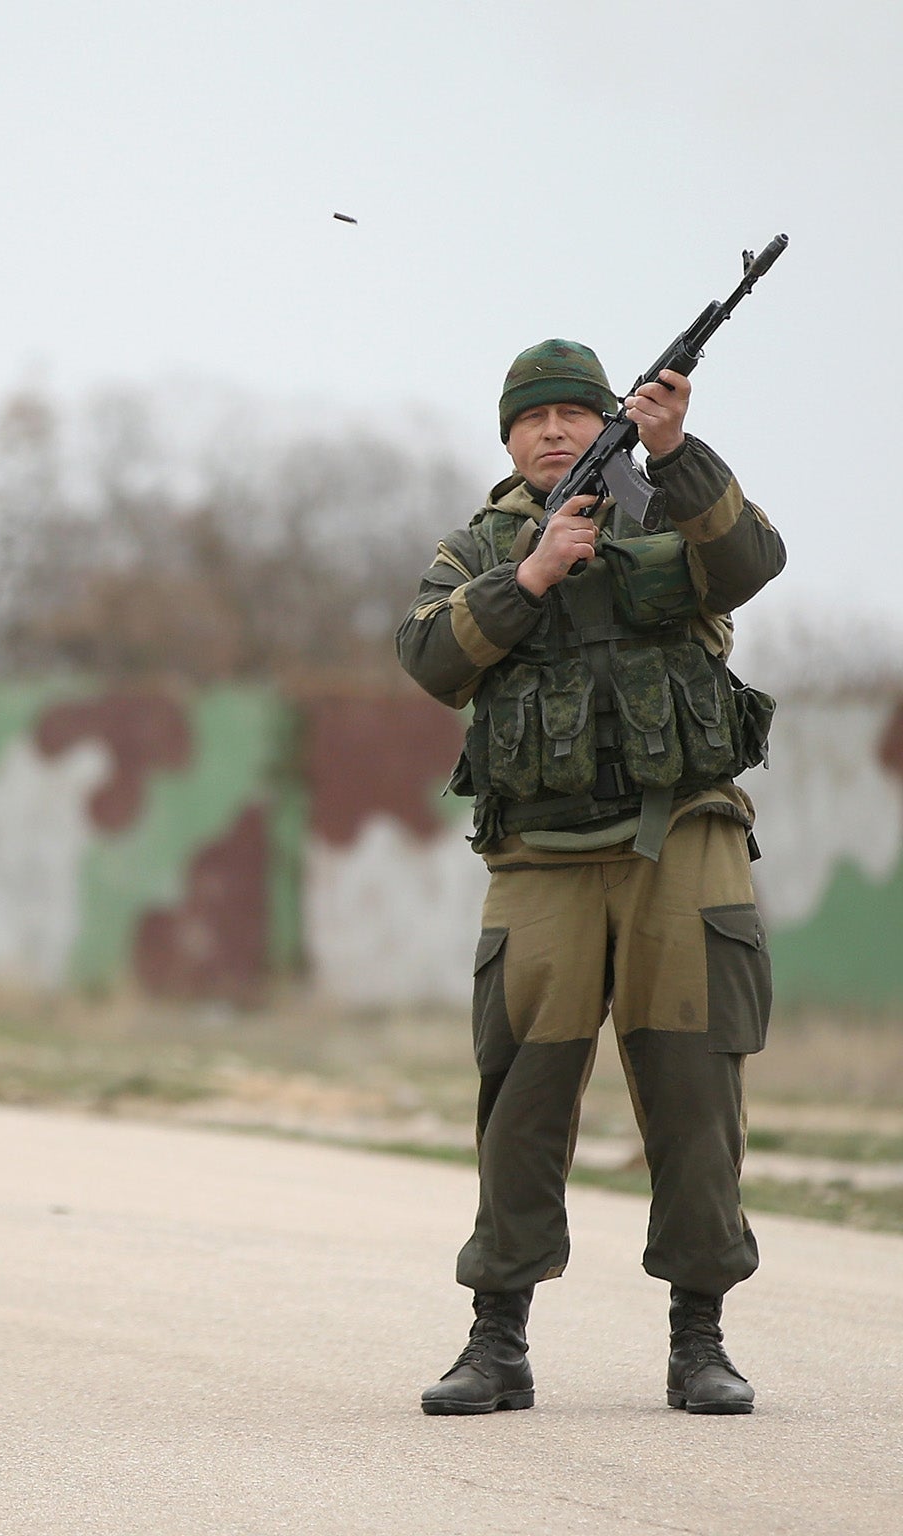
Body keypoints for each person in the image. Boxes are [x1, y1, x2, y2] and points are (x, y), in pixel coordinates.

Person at [395, 340, 785, 1416]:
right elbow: (426, 658)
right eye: (533, 418)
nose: (555, 431)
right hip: (539, 860)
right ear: (507, 438)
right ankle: (496, 1343)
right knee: (518, 1096)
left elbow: (750, 561)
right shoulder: (479, 543)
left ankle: (697, 1342)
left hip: (682, 843)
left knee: (694, 1095)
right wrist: (526, 574)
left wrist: (677, 453)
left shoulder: (667, 509)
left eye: (574, 412)